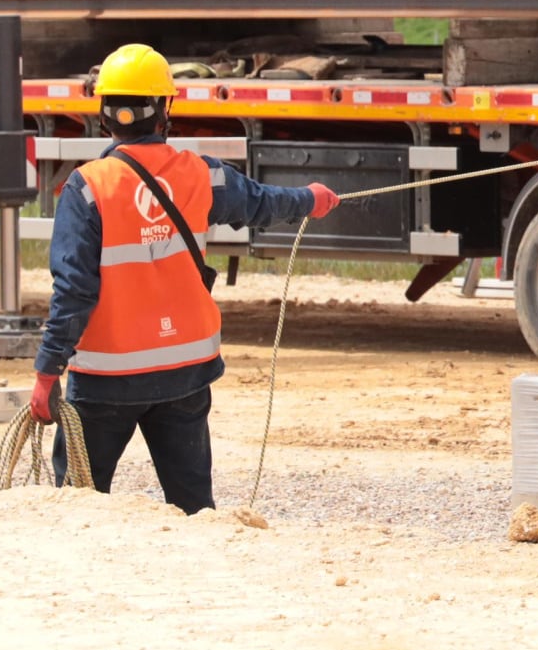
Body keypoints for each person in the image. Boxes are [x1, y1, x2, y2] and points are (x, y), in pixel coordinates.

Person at [30, 42, 338, 512]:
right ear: (164, 109)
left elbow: (73, 290)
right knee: (195, 510)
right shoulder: (201, 174)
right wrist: (311, 199)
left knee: (75, 509)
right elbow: (263, 203)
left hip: (107, 380)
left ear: (105, 112)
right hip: (185, 374)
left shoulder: (87, 188)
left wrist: (46, 373)